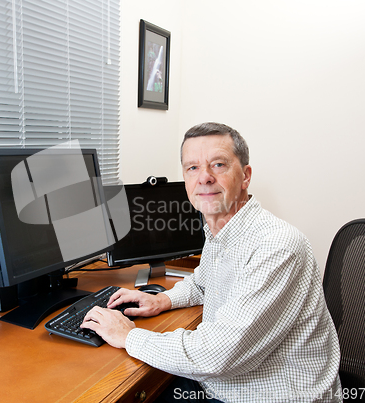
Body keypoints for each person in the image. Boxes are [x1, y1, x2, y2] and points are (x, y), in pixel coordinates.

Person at [81, 122, 342, 402]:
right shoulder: (221, 231)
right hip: (223, 385)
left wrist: (128, 337)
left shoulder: (277, 246)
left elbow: (216, 355)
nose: (204, 177)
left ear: (245, 176)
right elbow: (204, 283)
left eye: (218, 165)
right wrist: (162, 300)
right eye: (192, 167)